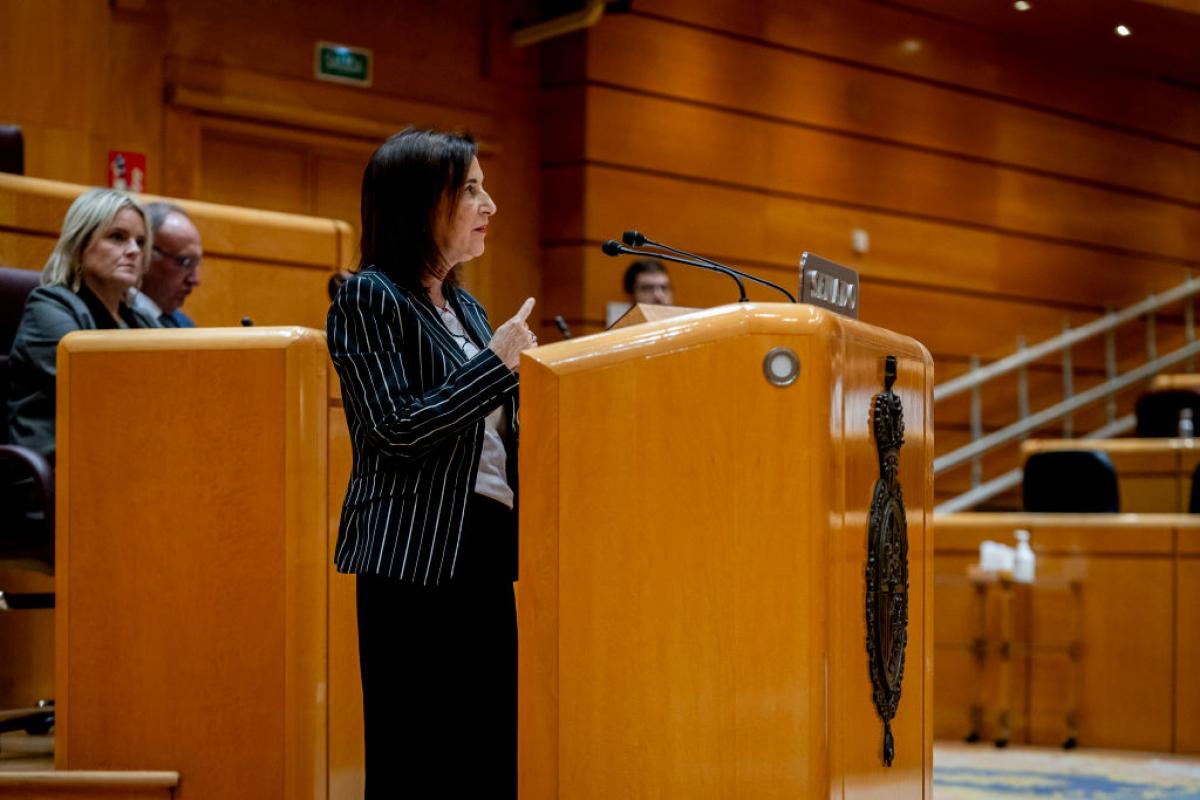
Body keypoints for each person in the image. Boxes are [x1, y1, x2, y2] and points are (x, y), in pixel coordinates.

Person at [326, 128, 535, 798]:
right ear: (423, 205)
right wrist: (496, 366)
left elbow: (493, 431)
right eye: (470, 189)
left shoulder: (468, 307)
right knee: (417, 755)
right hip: (414, 555)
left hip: (484, 547)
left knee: (487, 746)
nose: (490, 204)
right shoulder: (369, 297)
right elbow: (392, 430)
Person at [7, 189, 160, 465]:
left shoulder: (140, 318)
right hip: (64, 469)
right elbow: (100, 390)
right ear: (79, 243)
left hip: (122, 458)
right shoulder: (48, 308)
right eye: (117, 237)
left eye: (140, 241)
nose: (134, 250)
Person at [133, 201, 202, 327]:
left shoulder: (184, 324)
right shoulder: (117, 322)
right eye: (185, 262)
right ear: (146, 254)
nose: (195, 280)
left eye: (197, 263)